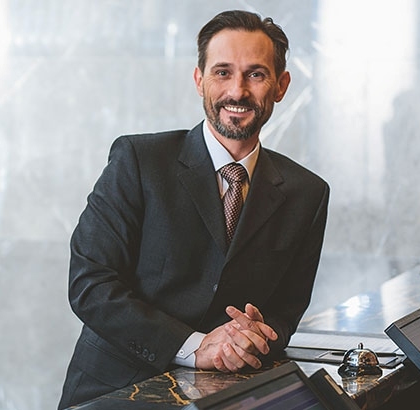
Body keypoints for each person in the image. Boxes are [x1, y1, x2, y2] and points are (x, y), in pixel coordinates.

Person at [58, 9, 330, 409]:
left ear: (281, 85)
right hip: (116, 391)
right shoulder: (138, 160)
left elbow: (286, 312)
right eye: (222, 72)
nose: (237, 91)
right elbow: (90, 284)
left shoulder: (308, 193)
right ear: (199, 78)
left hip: (230, 396)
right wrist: (196, 346)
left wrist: (253, 337)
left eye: (255, 74)